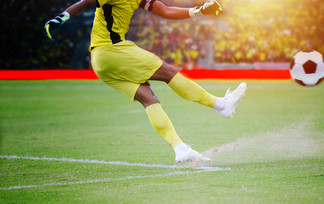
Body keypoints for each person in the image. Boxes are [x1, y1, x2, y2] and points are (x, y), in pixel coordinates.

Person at [44, 0, 247, 163]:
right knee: (168, 72)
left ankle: (180, 149)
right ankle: (221, 105)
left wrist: (199, 10)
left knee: (148, 98)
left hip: (101, 62)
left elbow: (166, 11)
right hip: (112, 49)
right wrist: (60, 18)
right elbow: (86, 2)